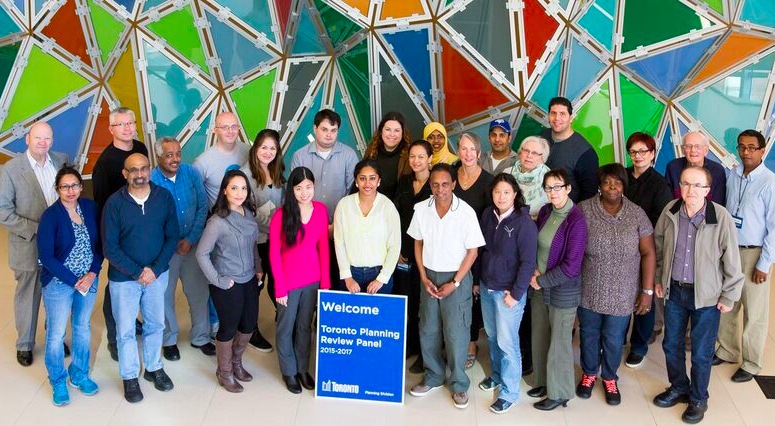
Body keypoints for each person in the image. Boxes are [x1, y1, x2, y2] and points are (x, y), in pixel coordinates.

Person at [652, 166, 744, 424]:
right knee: (671, 345)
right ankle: (679, 386)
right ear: (679, 186)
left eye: (697, 185)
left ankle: (698, 397)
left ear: (707, 190)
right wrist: (661, 278)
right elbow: (659, 247)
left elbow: (732, 261)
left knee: (702, 352)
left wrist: (728, 296)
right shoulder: (671, 210)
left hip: (707, 297)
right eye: (686, 184)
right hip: (675, 291)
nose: (690, 190)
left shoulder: (720, 216)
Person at [576, 164, 655, 406]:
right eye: (607, 182)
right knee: (588, 335)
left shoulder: (636, 214)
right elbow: (573, 250)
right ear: (599, 186)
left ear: (624, 186)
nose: (612, 186)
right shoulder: (583, 210)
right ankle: (589, 374)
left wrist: (647, 292)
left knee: (613, 337)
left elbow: (648, 253)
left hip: (623, 292)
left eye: (618, 182)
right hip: (589, 289)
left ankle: (609, 377)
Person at [407, 163, 485, 410]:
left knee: (456, 333)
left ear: (453, 185)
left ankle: (459, 384)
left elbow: (473, 252)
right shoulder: (421, 209)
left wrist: (455, 282)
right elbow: (418, 244)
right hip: (428, 275)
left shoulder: (466, 212)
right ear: (430, 185)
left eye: (445, 184)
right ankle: (433, 376)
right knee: (428, 328)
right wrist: (422, 275)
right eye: (435, 184)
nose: (440, 189)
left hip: (457, 278)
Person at [102, 153, 179, 403]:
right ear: (125, 174)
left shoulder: (163, 197)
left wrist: (154, 270)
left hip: (157, 276)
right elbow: (110, 248)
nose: (139, 174)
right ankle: (130, 377)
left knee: (156, 324)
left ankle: (154, 368)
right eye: (133, 170)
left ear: (150, 170)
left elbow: (172, 236)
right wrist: (138, 272)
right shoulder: (114, 204)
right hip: (124, 280)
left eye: (143, 169)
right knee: (125, 331)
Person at [0, 121, 69, 367]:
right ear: (27, 139)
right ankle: (25, 344)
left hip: (59, 247)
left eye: (48, 139)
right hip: (27, 244)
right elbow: (3, 211)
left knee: (58, 294)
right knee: (28, 296)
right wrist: (39, 230)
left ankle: (56, 338)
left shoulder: (61, 160)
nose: (43, 143)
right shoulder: (10, 169)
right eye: (38, 138)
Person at [36, 167, 102, 406]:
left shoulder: (90, 208)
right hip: (59, 283)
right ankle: (58, 380)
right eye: (65, 186)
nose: (70, 190)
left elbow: (100, 245)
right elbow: (46, 257)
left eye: (74, 185)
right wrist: (74, 280)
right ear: (57, 189)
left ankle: (79, 374)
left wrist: (93, 272)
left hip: (88, 280)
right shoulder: (51, 216)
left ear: (81, 187)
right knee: (56, 335)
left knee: (83, 327)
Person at [714, 129, 775, 383]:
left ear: (762, 151)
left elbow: (774, 227)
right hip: (731, 250)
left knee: (755, 311)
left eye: (752, 147)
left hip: (754, 253)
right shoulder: (732, 175)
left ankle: (751, 362)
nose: (746, 152)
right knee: (729, 304)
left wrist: (765, 263)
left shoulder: (770, 182)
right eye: (742, 147)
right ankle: (728, 350)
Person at [196, 170, 262, 393]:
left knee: (249, 324)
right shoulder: (217, 221)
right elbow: (201, 254)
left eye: (243, 188)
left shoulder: (248, 213)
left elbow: (252, 244)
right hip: (228, 282)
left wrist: (259, 268)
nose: (239, 192)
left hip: (249, 278)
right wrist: (217, 280)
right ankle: (224, 372)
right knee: (229, 327)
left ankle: (236, 363)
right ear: (224, 190)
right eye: (234, 188)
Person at [477, 174, 537, 414]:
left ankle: (510, 392)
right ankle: (497, 375)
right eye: (497, 192)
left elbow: (528, 262)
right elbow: (481, 249)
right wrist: (478, 280)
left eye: (506, 192)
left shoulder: (524, 223)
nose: (500, 197)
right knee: (492, 336)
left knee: (507, 342)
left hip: (508, 293)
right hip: (486, 286)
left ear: (515, 194)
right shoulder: (487, 216)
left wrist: (516, 293)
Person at [92, 106, 148, 362]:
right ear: (111, 129)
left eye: (130, 123)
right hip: (119, 234)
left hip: (141, 230)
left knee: (136, 281)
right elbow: (101, 206)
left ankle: (132, 321)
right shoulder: (105, 164)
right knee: (117, 285)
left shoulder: (141, 148)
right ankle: (114, 338)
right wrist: (109, 243)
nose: (127, 128)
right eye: (121, 124)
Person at [150, 137, 214, 361]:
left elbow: (202, 206)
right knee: (165, 296)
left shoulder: (191, 173)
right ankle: (169, 339)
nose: (175, 159)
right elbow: (150, 217)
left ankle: (201, 337)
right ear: (158, 157)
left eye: (178, 153)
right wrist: (173, 240)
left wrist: (191, 238)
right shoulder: (151, 180)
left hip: (193, 244)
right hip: (165, 250)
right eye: (169, 155)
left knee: (198, 293)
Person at [529, 168, 587, 411]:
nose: (553, 192)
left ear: (568, 188)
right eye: (549, 187)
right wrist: (533, 272)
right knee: (540, 336)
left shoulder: (576, 220)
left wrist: (541, 280)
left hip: (562, 290)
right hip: (538, 285)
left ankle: (560, 392)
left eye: (558, 187)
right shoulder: (545, 211)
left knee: (559, 343)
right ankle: (543, 382)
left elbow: (572, 266)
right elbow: (536, 245)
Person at [270, 167, 330, 394]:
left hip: (313, 280)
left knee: (305, 326)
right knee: (286, 327)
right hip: (289, 281)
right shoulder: (281, 215)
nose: (304, 193)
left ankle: (303, 368)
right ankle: (289, 371)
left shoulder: (322, 211)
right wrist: (280, 287)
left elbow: (324, 246)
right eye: (298, 188)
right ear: (291, 190)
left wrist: (325, 283)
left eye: (308, 187)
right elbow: (274, 253)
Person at [290, 109, 358, 290]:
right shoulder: (300, 155)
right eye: (325, 129)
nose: (329, 135)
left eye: (333, 130)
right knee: (310, 275)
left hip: (339, 227)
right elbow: (295, 193)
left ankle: (329, 315)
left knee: (337, 275)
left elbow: (353, 194)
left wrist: (335, 225)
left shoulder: (349, 155)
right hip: (307, 227)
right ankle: (310, 313)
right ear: (315, 129)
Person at [623, 132, 673, 368]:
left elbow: (659, 221)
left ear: (652, 154)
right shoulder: (621, 176)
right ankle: (618, 337)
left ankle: (639, 346)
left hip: (645, 248)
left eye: (643, 151)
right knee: (621, 295)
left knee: (645, 296)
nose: (638, 156)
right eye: (633, 151)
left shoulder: (660, 184)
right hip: (620, 248)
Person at [241, 128, 285, 352]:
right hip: (254, 241)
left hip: (276, 240)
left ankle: (282, 320)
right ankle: (250, 330)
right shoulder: (245, 175)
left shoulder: (278, 172)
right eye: (264, 147)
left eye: (273, 148)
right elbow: (244, 212)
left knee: (278, 282)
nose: (268, 152)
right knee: (254, 285)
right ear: (255, 148)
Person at [453, 132, 493, 370]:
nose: (467, 154)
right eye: (463, 149)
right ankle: (454, 339)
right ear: (458, 151)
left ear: (479, 153)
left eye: (472, 150)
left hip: (478, 248)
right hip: (451, 246)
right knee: (454, 293)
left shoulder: (489, 181)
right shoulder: (451, 176)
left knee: (473, 294)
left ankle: (470, 343)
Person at [392, 140, 433, 372]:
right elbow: (395, 216)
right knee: (405, 300)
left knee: (423, 305)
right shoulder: (405, 182)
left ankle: (423, 350)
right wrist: (396, 249)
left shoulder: (435, 184)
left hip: (427, 254)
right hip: (403, 252)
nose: (416, 161)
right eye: (413, 157)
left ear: (430, 158)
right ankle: (408, 345)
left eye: (421, 156)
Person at [334, 160, 401, 294]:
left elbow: (395, 246)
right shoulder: (344, 205)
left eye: (372, 178)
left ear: (379, 181)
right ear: (356, 181)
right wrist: (347, 277)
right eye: (362, 178)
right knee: (351, 315)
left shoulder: (387, 206)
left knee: (379, 315)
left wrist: (382, 278)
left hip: (379, 275)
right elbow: (339, 242)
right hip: (351, 275)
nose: (367, 183)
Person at [539, 97, 599, 202]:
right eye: (553, 113)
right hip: (538, 207)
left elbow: (589, 195)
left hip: (566, 213)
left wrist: (572, 216)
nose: (557, 118)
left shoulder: (586, 153)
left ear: (571, 118)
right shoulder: (542, 136)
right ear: (548, 116)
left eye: (562, 114)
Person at [194, 111, 251, 207]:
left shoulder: (249, 152)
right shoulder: (202, 163)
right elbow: (195, 197)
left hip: (246, 216)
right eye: (225, 127)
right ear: (216, 130)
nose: (230, 131)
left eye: (234, 126)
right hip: (219, 217)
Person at [664, 131, 726, 205]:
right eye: (688, 146)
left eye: (697, 146)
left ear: (706, 150)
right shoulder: (673, 167)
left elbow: (717, 204)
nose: (693, 150)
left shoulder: (717, 170)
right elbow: (668, 200)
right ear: (683, 150)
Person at [362, 111, 412, 198]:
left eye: (396, 130)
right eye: (388, 129)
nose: (392, 134)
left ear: (402, 133)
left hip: (398, 208)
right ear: (381, 131)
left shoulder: (409, 155)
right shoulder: (371, 151)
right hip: (372, 205)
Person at [510, 136, 551, 218]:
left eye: (535, 153)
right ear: (520, 152)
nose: (529, 156)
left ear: (543, 158)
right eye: (526, 151)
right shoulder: (507, 172)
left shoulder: (550, 180)